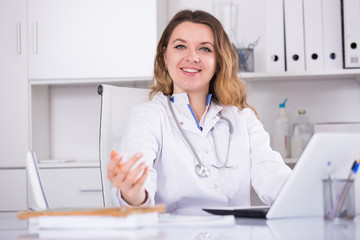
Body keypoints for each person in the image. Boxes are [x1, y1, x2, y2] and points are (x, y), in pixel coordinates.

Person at [107, 9, 292, 214]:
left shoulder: (241, 118)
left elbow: (270, 172)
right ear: (165, 58)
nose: (192, 57)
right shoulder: (148, 117)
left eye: (205, 49)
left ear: (218, 61)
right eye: (180, 46)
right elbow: (139, 189)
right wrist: (133, 194)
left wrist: (305, 191)